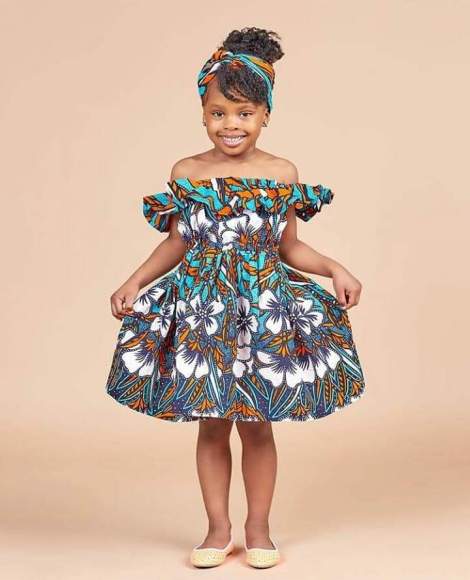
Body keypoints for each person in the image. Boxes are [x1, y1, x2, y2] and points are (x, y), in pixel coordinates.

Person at [105, 26, 366, 569]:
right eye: (219, 113)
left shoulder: (280, 173)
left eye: (245, 113)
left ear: (265, 114)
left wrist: (334, 267)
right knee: (211, 424)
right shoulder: (187, 173)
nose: (231, 124)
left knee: (257, 424)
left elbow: (289, 247)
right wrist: (135, 281)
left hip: (261, 313)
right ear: (203, 113)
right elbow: (177, 242)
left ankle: (258, 528)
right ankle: (217, 529)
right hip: (203, 314)